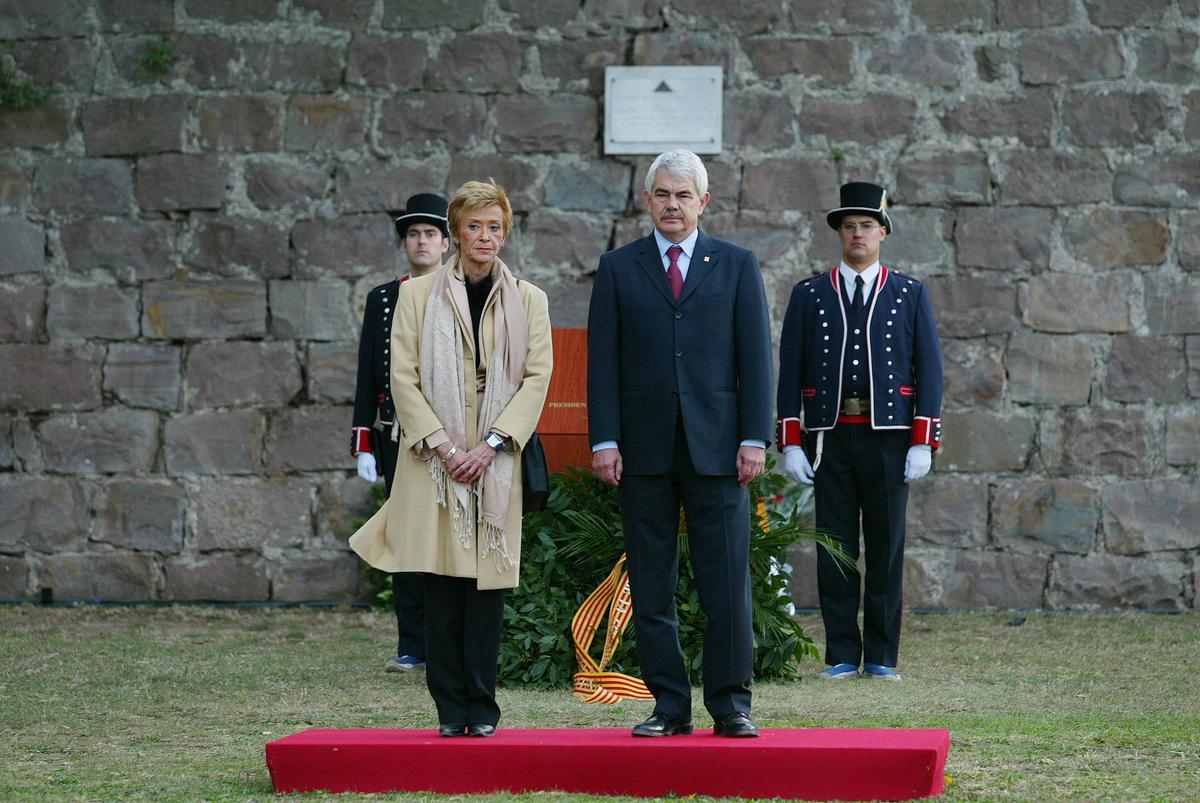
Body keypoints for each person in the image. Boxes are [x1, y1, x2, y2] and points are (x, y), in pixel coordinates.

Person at [349, 180, 552, 737]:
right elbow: (402, 378)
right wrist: (443, 445)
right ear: (455, 234)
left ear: (504, 233)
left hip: (496, 461)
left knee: (486, 590)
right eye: (474, 226)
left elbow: (537, 380)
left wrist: (489, 445)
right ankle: (449, 712)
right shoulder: (416, 296)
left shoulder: (530, 299)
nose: (485, 237)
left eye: (495, 227)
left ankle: (482, 709)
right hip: (432, 465)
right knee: (440, 587)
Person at [587, 149, 773, 739]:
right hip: (642, 453)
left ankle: (730, 705)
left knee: (726, 587)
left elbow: (755, 359)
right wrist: (606, 440)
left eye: (683, 195)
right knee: (651, 585)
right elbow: (603, 364)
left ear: (703, 202)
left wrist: (754, 438)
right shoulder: (619, 267)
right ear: (647, 201)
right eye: (662, 194)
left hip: (719, 451)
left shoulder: (737, 265)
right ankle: (669, 706)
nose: (673, 204)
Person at [776, 182, 943, 681]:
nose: (857, 233)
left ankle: (882, 657)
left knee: (887, 548)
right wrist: (790, 440)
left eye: (867, 225)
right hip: (830, 440)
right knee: (836, 547)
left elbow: (929, 370)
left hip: (890, 439)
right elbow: (789, 371)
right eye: (848, 226)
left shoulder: (909, 293)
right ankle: (842, 654)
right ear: (839, 234)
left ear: (883, 232)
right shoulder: (809, 293)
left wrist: (923, 439)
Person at [351, 192, 450, 674]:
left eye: (431, 233)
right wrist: (362, 440)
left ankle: (452, 643)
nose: (422, 241)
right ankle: (413, 645)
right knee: (408, 539)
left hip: (457, 437)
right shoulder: (384, 298)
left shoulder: (462, 292)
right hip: (397, 436)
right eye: (414, 234)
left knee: (455, 539)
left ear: (447, 243)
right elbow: (369, 372)